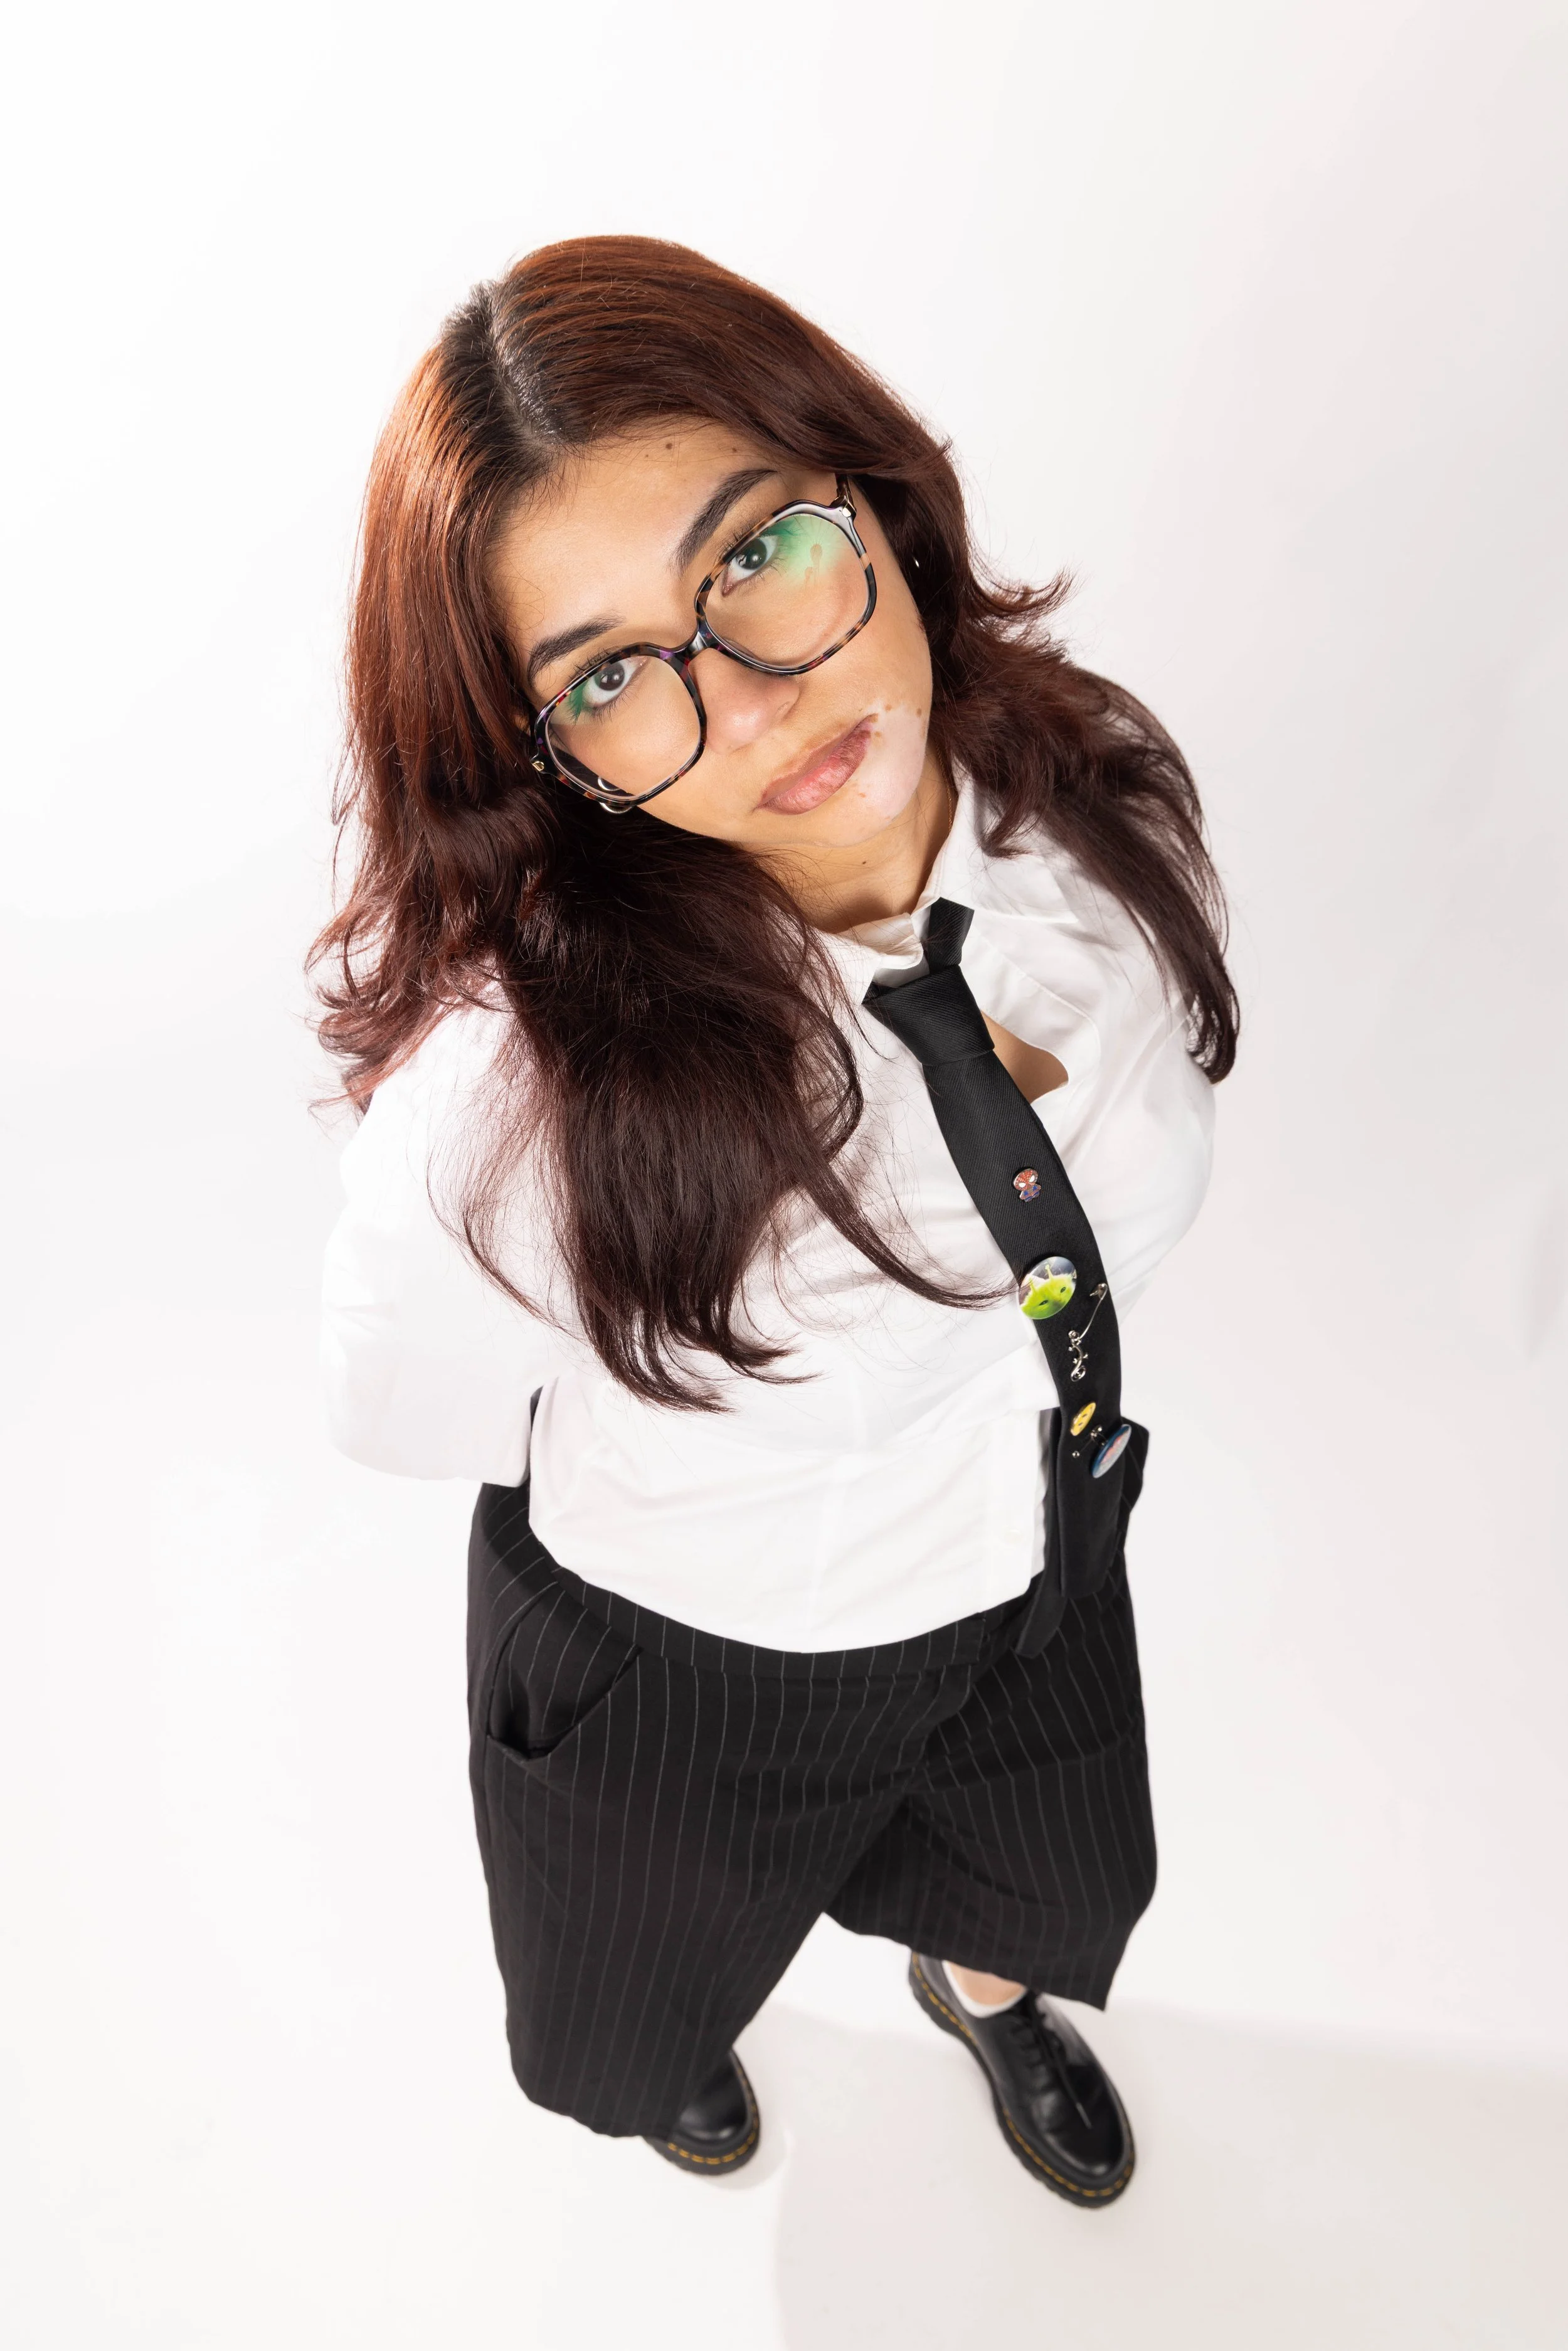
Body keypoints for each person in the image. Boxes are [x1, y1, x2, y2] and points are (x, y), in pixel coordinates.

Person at [316, 235, 1236, 2203]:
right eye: (614, 676)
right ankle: (680, 2053)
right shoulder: (511, 1107)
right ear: (547, 763)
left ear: (868, 495)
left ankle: (977, 1994)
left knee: (1042, 1881)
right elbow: (414, 1412)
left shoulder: (1079, 799)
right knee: (635, 2000)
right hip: (698, 1644)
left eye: (756, 557)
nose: (752, 694)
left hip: (1029, 1555)